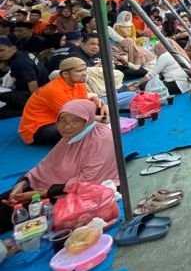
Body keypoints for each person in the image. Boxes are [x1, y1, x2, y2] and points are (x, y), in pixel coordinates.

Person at [1, 99, 118, 233]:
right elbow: (45, 165)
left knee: (9, 214)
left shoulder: (100, 140)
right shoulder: (73, 136)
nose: (66, 127)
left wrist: (37, 194)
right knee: (8, 198)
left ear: (88, 121)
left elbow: (87, 182)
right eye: (62, 120)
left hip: (75, 193)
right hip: (51, 186)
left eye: (75, 121)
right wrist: (21, 185)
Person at [0, 37, 49, 118]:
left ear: (13, 48)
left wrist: (37, 107)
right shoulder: (23, 53)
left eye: (2, 50)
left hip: (36, 96)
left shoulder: (19, 63)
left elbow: (33, 87)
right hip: (43, 89)